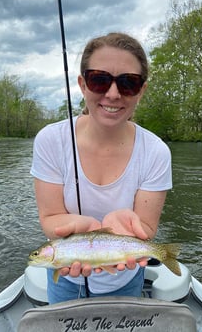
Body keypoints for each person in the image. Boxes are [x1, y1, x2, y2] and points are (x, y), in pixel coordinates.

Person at [30, 32, 172, 304]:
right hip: (64, 278)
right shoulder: (50, 140)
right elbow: (51, 218)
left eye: (128, 83)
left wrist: (129, 225)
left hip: (126, 278)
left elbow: (145, 227)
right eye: (99, 79)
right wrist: (87, 227)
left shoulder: (156, 152)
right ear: (83, 84)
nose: (113, 94)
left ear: (141, 90)